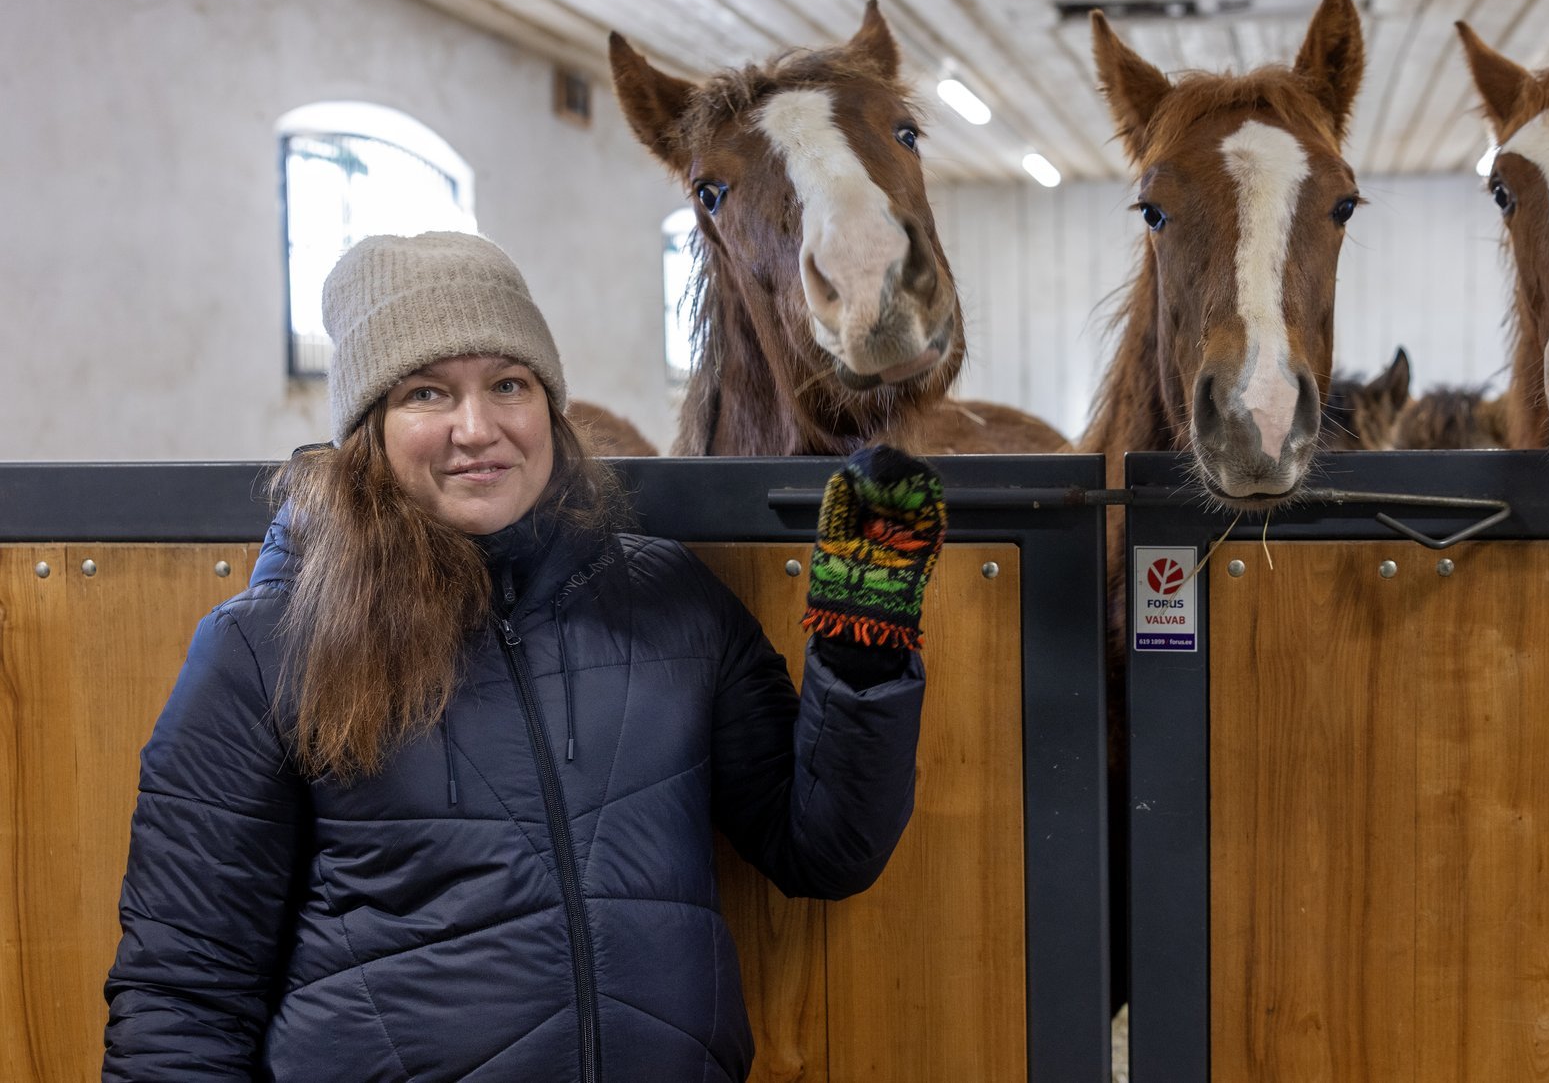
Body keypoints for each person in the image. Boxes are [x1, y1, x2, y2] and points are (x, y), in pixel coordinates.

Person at [103, 231, 945, 1081]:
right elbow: (182, 996)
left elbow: (824, 851)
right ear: (368, 428)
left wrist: (861, 657)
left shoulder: (671, 603)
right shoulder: (265, 646)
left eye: (508, 384)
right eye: (427, 392)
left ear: (549, 406)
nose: (478, 429)